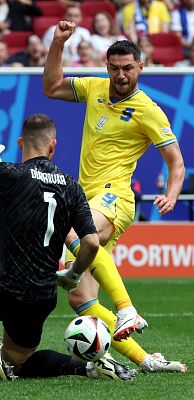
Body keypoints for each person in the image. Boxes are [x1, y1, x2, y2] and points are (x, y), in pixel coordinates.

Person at [43, 21, 187, 373]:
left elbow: (176, 162)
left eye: (127, 68)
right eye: (114, 68)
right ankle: (146, 359)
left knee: (76, 233)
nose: (120, 75)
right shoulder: (95, 88)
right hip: (86, 197)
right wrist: (59, 42)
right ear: (106, 67)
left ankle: (127, 309)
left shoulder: (148, 109)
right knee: (79, 297)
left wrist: (170, 194)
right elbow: (51, 87)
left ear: (140, 67)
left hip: (115, 197)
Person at [0, 116, 136, 382]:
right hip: (42, 297)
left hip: (4, 291)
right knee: (17, 362)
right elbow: (91, 243)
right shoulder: (71, 186)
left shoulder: (6, 174)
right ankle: (88, 367)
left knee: (5, 353)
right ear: (53, 146)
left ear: (21, 142)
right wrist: (74, 274)